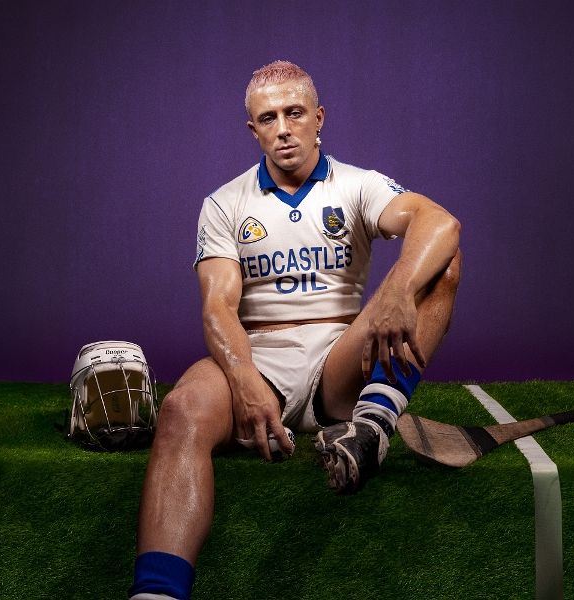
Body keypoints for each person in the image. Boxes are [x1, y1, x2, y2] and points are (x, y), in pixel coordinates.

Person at [129, 60, 461, 600]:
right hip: (258, 353)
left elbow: (441, 222)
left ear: (318, 118)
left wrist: (396, 290)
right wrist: (243, 378)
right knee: (181, 410)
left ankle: (372, 425)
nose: (283, 129)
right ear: (253, 129)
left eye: (295, 113)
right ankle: (157, 594)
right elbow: (217, 308)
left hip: (341, 362)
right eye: (268, 118)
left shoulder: (358, 185)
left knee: (443, 260)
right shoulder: (224, 203)